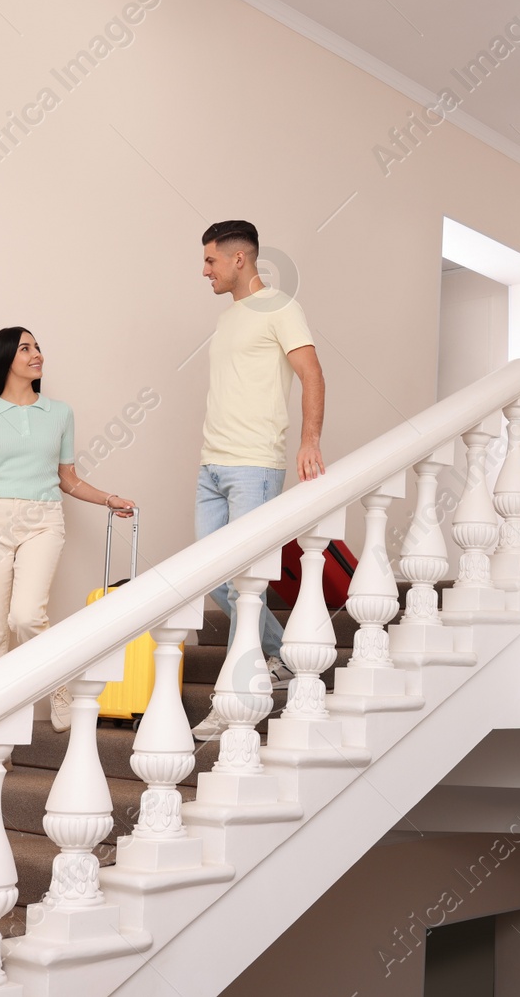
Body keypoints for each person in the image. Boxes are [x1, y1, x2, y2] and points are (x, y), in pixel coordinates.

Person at [0, 327, 136, 732]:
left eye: (37, 347)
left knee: (24, 616)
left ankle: (57, 686)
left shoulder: (60, 413)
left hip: (43, 520)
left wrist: (109, 498)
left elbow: (67, 479)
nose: (37, 354)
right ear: (4, 359)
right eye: (26, 348)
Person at [191, 220, 326, 739]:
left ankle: (235, 696)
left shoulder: (281, 308)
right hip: (212, 464)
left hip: (254, 464)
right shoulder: (229, 320)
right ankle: (282, 653)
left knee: (241, 582)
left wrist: (309, 440)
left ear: (239, 259)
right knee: (214, 579)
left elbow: (312, 373)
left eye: (211, 261)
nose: (205, 270)